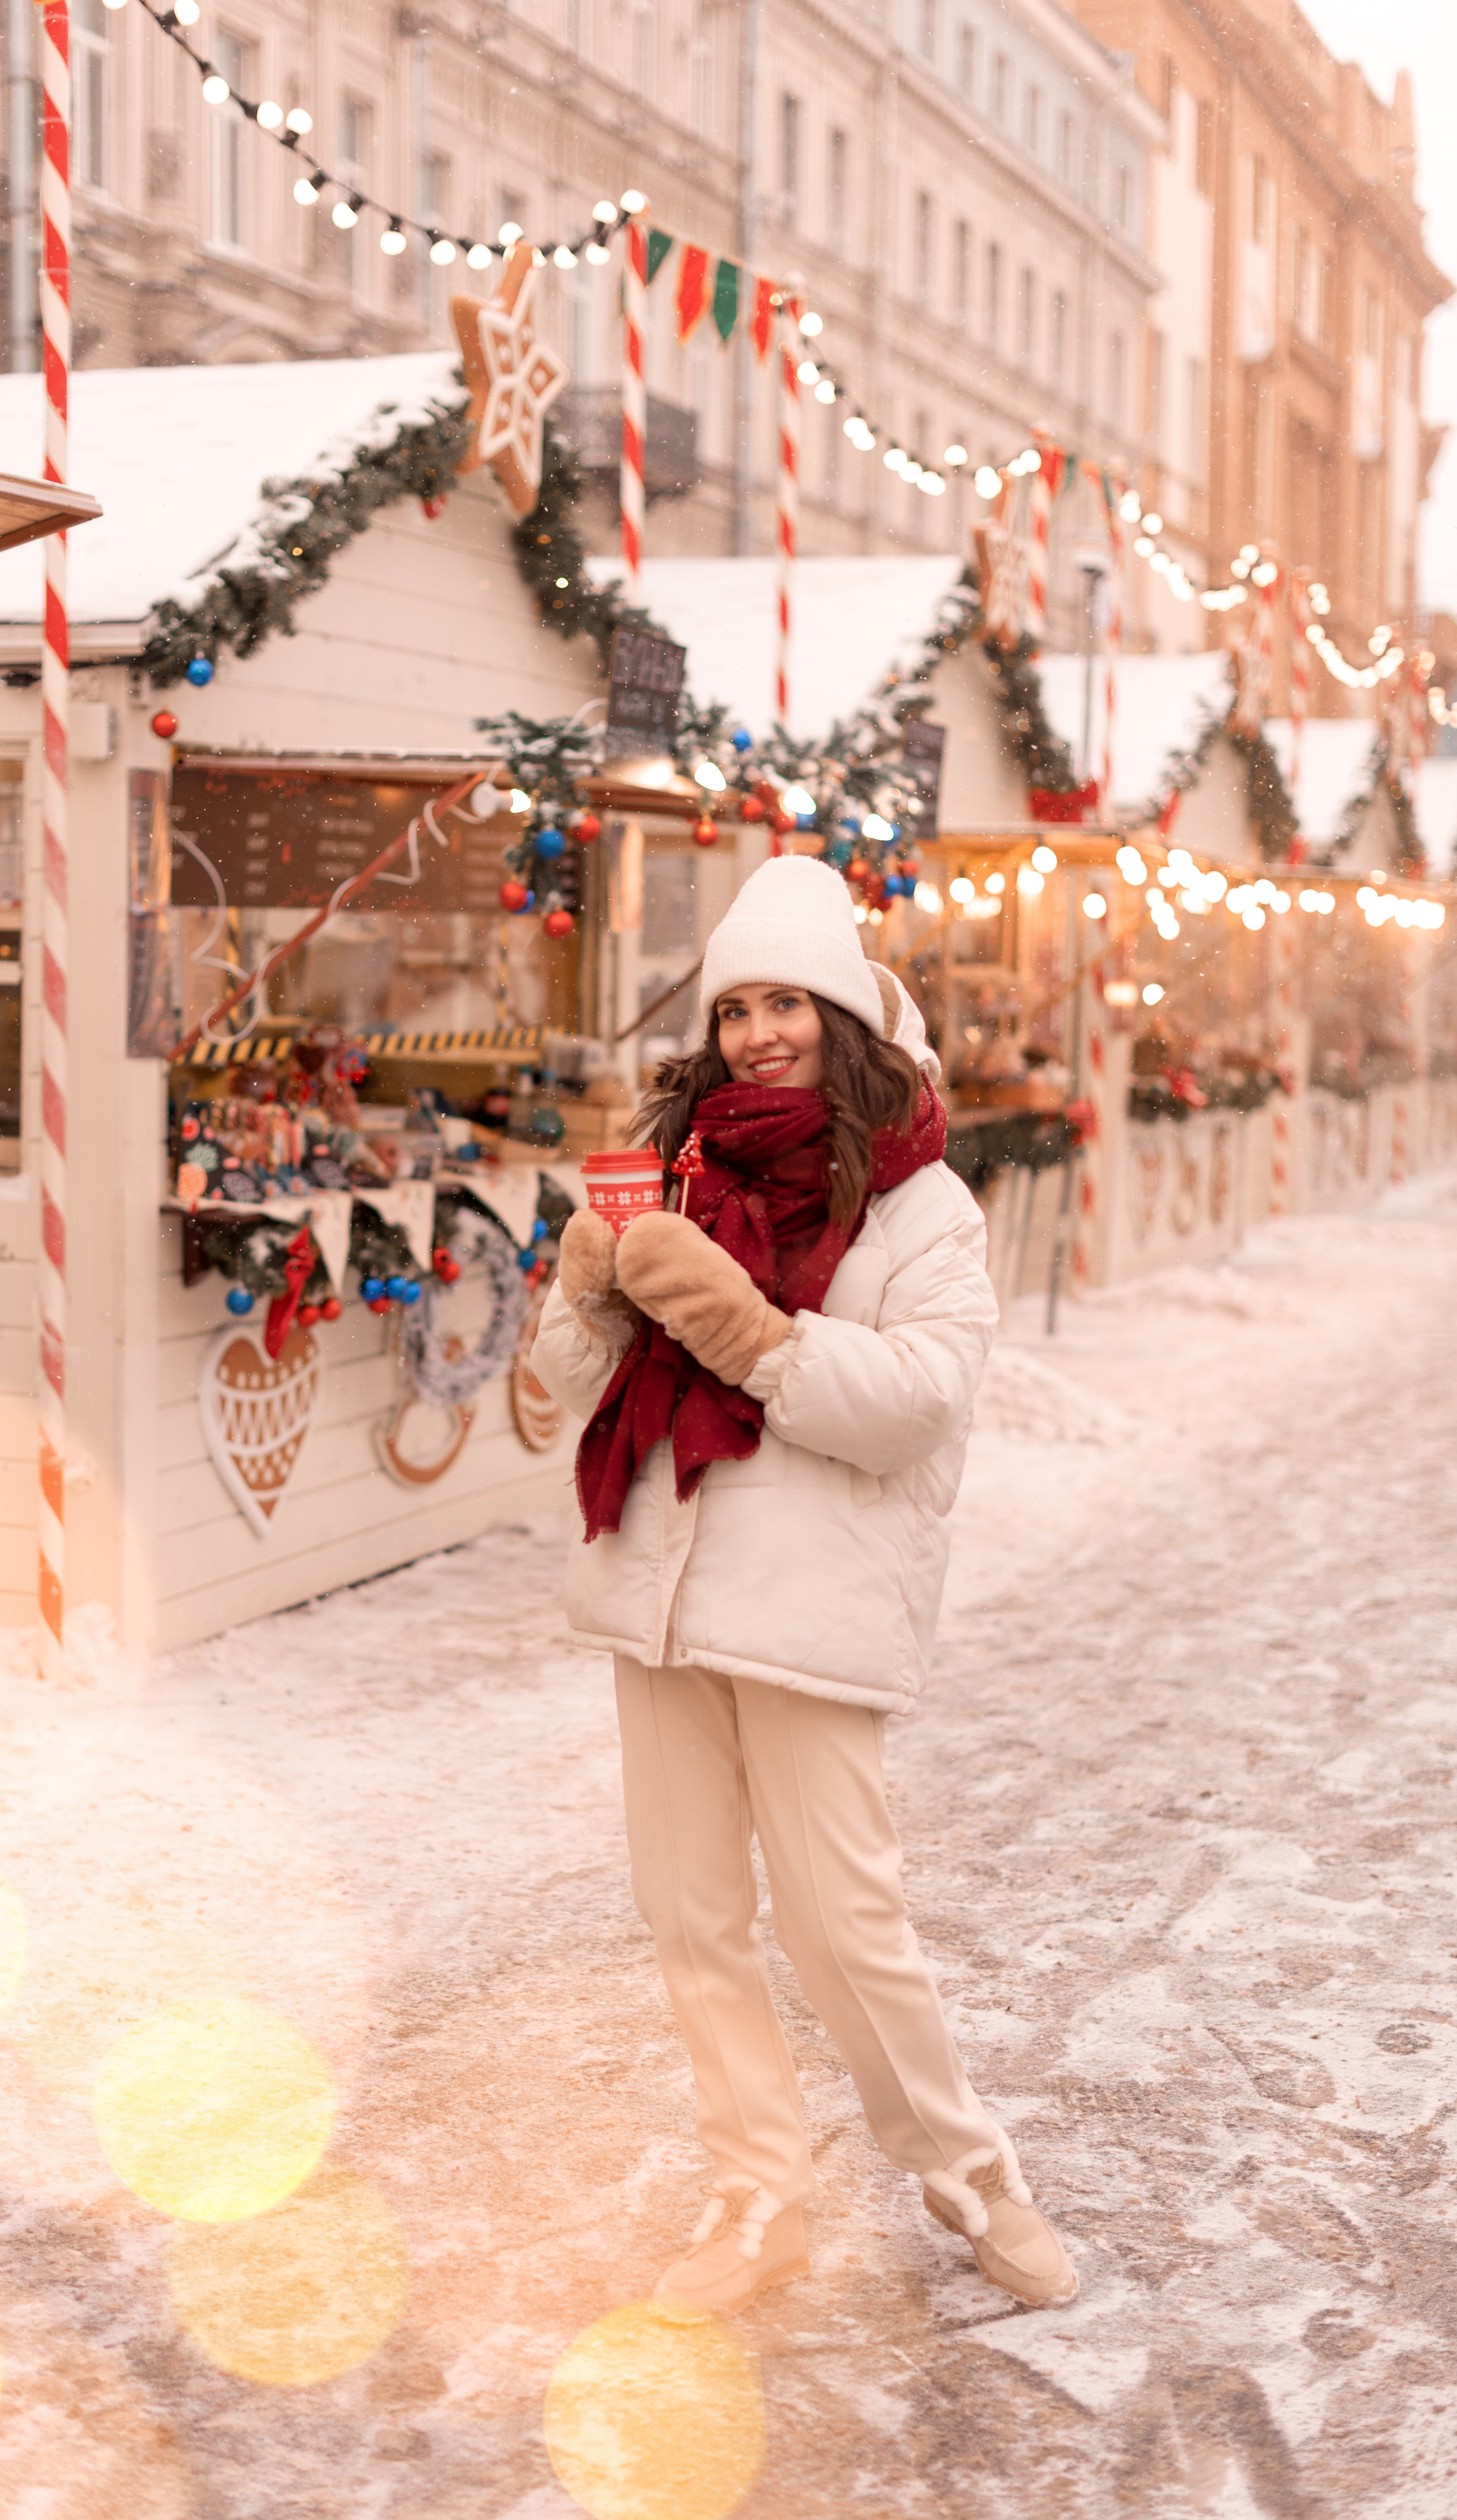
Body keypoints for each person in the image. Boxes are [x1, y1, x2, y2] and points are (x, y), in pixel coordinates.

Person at [529, 854, 1076, 2320]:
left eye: (787, 1004)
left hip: (811, 1603)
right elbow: (569, 1394)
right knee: (690, 1915)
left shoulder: (920, 1203)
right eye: (736, 1009)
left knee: (842, 1928)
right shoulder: (680, 1173)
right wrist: (587, 1295)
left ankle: (970, 2176)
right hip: (662, 1588)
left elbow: (918, 1403)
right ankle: (757, 2192)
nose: (758, 1034)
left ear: (842, 1016)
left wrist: (756, 1335)